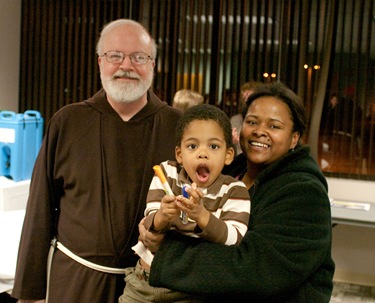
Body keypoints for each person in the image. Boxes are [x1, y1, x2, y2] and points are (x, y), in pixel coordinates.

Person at [11, 19, 182, 303]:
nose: (126, 65)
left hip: (151, 286)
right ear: (100, 62)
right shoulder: (68, 121)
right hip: (76, 281)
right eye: (115, 55)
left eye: (139, 57)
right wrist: (30, 291)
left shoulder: (178, 127)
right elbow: (40, 208)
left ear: (152, 64)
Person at [142, 82, 335, 302]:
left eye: (274, 126)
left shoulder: (304, 193)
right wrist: (156, 223)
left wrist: (165, 251)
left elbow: (255, 268)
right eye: (252, 122)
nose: (260, 131)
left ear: (294, 138)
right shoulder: (230, 171)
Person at [119, 104, 251, 302]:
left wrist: (201, 215)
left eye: (213, 146)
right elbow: (148, 223)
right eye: (192, 146)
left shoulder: (234, 190)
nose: (202, 153)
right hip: (143, 283)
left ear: (228, 155)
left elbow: (234, 239)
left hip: (191, 290)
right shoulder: (167, 173)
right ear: (179, 154)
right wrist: (163, 214)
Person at [230, 81, 263, 155]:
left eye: (249, 98)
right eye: (244, 98)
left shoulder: (263, 121)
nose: (246, 102)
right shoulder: (235, 119)